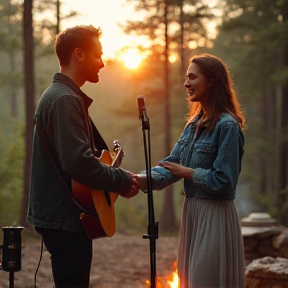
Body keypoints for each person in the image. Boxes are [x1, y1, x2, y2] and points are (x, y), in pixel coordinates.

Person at [26, 25, 139, 288]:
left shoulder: (64, 96)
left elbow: (79, 159)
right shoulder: (64, 99)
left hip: (66, 216)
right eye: (98, 55)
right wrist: (120, 180)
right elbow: (78, 161)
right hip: (64, 218)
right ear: (78, 55)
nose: (103, 62)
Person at [138, 54, 246, 288]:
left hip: (214, 215)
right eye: (186, 77)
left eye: (192, 77)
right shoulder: (193, 125)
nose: (186, 83)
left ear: (211, 80)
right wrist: (136, 180)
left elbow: (224, 181)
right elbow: (170, 165)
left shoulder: (227, 126)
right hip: (193, 213)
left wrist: (187, 172)